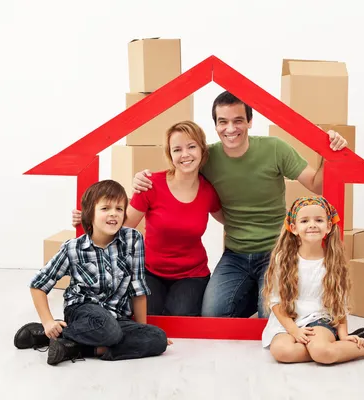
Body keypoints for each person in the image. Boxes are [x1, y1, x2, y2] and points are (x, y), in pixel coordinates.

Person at [133, 91, 349, 319]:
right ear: (215, 126)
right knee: (212, 317)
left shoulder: (275, 149)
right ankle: (258, 293)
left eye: (238, 121)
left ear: (250, 121)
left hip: (275, 250)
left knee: (272, 320)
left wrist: (330, 152)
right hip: (235, 254)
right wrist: (141, 179)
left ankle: (266, 297)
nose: (230, 128)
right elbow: (178, 171)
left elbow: (317, 185)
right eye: (223, 122)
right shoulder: (208, 157)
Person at [72, 121, 223, 317]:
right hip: (150, 271)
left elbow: (229, 220)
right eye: (177, 149)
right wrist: (89, 220)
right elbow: (122, 225)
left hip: (192, 275)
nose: (185, 154)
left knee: (180, 318)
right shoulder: (151, 185)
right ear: (170, 155)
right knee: (147, 316)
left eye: (191, 146)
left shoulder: (208, 191)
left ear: (202, 149)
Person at [14, 180, 169, 366]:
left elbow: (138, 289)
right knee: (109, 330)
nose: (114, 213)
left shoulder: (133, 239)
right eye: (105, 208)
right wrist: (47, 322)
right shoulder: (74, 248)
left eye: (119, 209)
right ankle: (49, 331)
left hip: (117, 316)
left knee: (158, 339)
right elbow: (38, 284)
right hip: (83, 310)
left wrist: (141, 331)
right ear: (90, 213)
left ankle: (75, 346)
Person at [261, 195, 364, 364]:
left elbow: (338, 302)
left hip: (319, 319)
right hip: (289, 320)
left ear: (328, 226)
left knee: (321, 352)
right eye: (304, 221)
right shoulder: (283, 259)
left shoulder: (332, 260)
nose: (312, 225)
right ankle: (338, 348)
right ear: (294, 228)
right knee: (282, 352)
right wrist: (294, 331)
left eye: (318, 220)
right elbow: (275, 302)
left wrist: (344, 335)